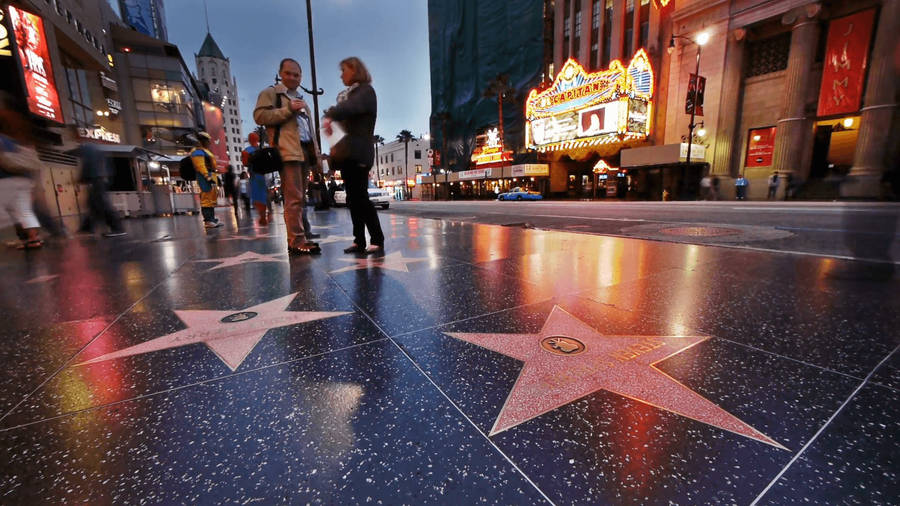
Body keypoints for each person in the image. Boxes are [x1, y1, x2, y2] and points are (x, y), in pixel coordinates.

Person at [253, 58, 323, 254]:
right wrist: (287, 110)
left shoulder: (302, 100)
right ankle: (296, 241)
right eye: (289, 73)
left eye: (297, 74)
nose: (293, 77)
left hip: (304, 153)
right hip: (288, 152)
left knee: (300, 199)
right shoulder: (272, 93)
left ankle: (303, 235)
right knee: (293, 199)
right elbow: (259, 116)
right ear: (281, 74)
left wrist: (316, 158)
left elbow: (309, 131)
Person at [323, 57, 384, 254]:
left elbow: (350, 109)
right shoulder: (349, 95)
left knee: (361, 198)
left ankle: (377, 239)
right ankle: (359, 240)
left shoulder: (365, 92)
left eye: (344, 70)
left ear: (355, 70)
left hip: (359, 153)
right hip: (348, 154)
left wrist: (331, 113)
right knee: (353, 198)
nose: (341, 75)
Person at [0, 109, 43, 249]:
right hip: (24, 180)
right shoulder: (16, 141)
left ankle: (29, 238)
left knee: (10, 211)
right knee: (24, 211)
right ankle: (34, 239)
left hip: (6, 180)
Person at [78, 143, 126, 237]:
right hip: (100, 179)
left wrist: (82, 178)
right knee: (94, 204)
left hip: (96, 179)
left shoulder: (89, 150)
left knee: (101, 204)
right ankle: (87, 228)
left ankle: (117, 228)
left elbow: (88, 166)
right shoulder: (98, 151)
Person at [192, 131, 223, 228]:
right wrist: (207, 177)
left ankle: (212, 219)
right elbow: (200, 166)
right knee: (206, 199)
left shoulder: (204, 151)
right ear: (203, 141)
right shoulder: (198, 151)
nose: (209, 142)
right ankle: (208, 220)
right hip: (205, 177)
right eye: (207, 140)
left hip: (210, 175)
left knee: (211, 199)